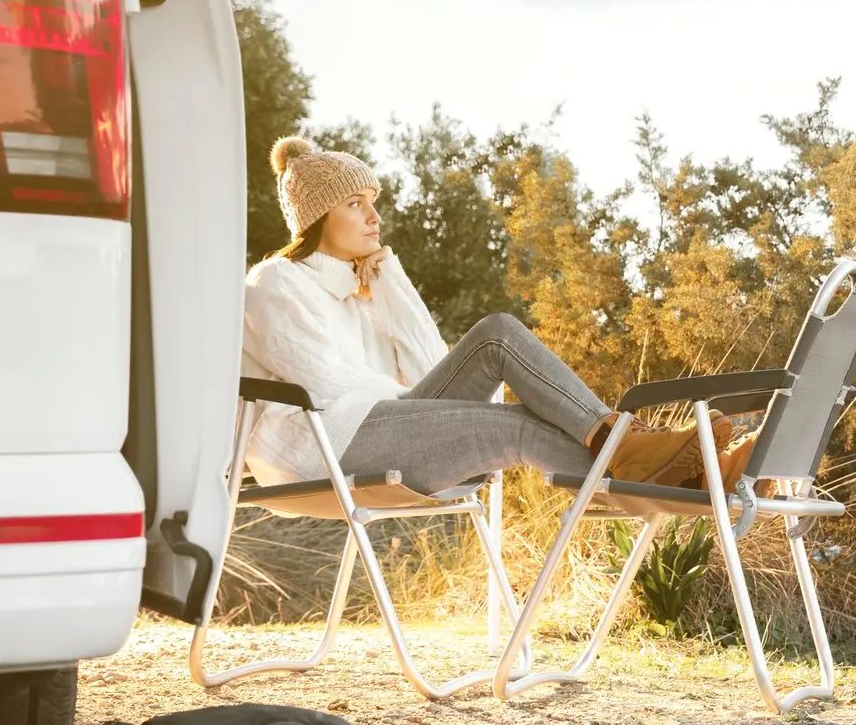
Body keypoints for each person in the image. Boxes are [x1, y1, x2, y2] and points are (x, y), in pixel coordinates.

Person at [241, 136, 757, 495]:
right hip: (326, 447)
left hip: (385, 426)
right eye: (355, 203)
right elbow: (324, 389)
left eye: (373, 201)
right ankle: (674, 469)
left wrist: (392, 285)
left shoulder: (365, 290)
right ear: (315, 218)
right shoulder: (275, 283)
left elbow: (427, 373)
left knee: (497, 334)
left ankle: (648, 456)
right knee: (516, 426)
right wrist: (415, 404)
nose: (374, 217)